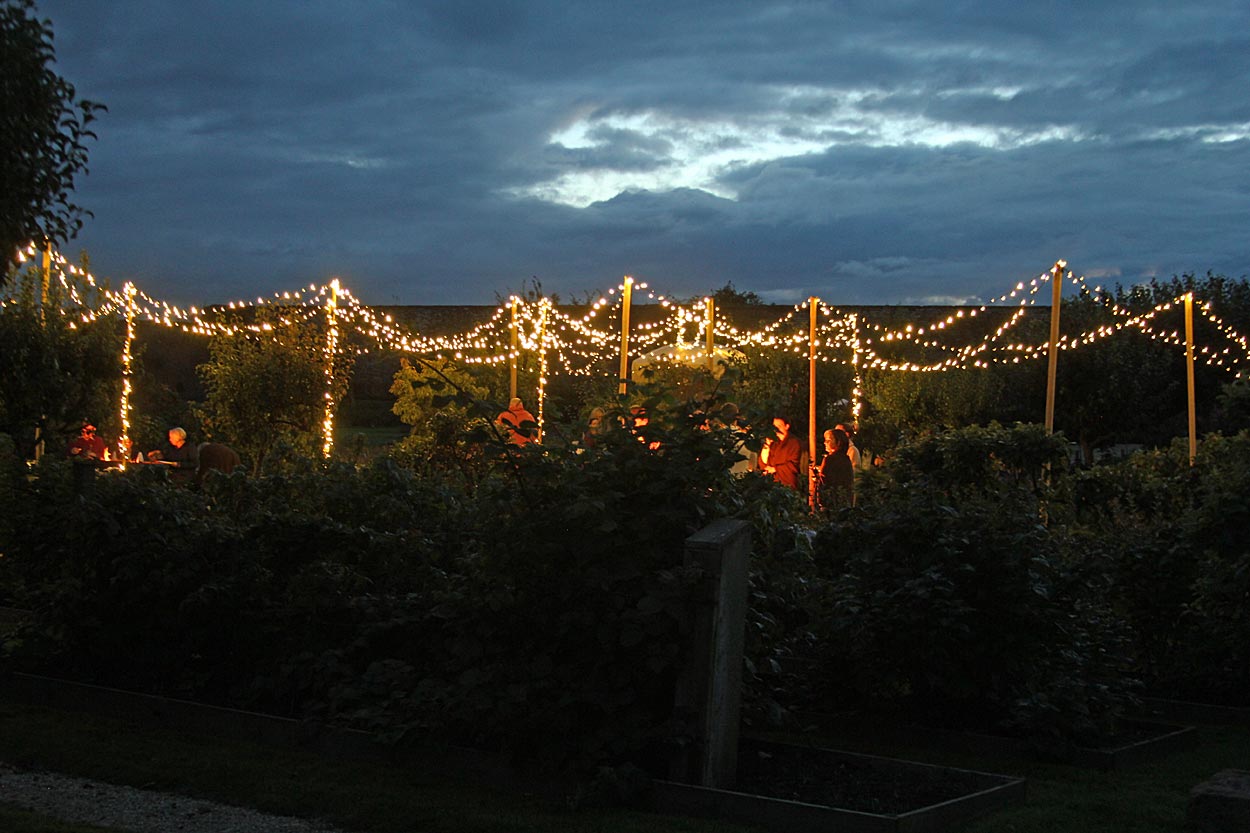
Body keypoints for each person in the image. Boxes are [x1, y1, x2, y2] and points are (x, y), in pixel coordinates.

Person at [759, 415, 801, 489]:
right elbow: (763, 462)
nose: (776, 429)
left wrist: (775, 469)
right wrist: (767, 445)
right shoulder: (773, 442)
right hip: (771, 483)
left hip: (786, 483)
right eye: (774, 426)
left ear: (786, 426)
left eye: (779, 426)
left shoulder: (794, 443)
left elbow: (793, 465)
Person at [816, 428, 854, 510]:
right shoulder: (846, 459)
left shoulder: (829, 459)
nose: (825, 443)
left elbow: (824, 482)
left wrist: (821, 501)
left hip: (831, 501)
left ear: (838, 442)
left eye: (828, 440)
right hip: (844, 501)